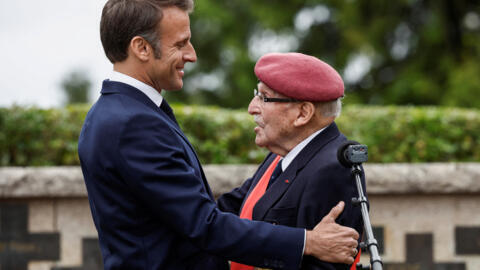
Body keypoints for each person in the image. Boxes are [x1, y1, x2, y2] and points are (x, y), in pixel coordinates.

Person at [78, 1, 359, 269]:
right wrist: (308, 242)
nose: (191, 54)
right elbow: (205, 225)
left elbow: (197, 209)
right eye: (180, 43)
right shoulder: (132, 123)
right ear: (141, 48)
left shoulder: (119, 112)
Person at [218, 52, 365, 270]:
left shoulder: (333, 169)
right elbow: (230, 209)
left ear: (303, 113)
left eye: (264, 97)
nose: (252, 107)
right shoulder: (283, 153)